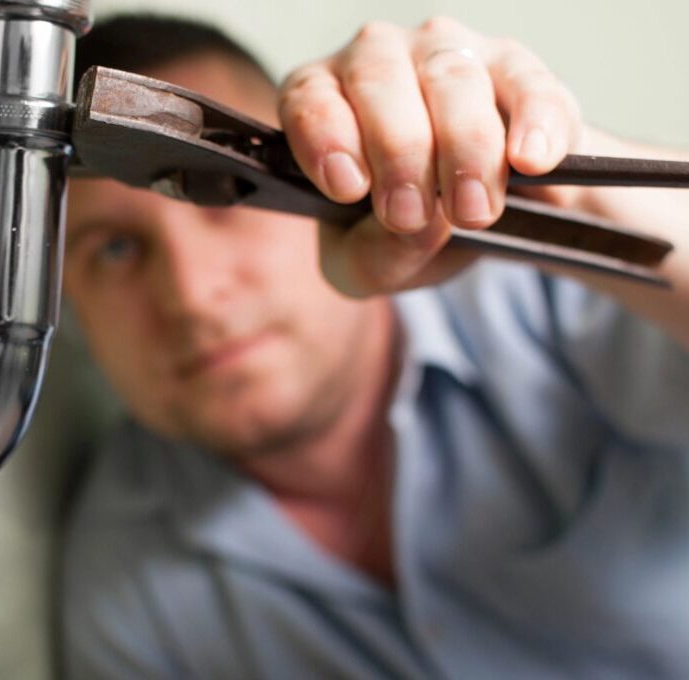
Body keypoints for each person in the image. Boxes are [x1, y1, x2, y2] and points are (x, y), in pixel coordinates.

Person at [58, 13, 689, 679]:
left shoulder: (558, 306)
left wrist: (574, 190)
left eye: (228, 195)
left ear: (329, 181)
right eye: (115, 250)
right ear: (68, 302)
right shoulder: (125, 601)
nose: (191, 295)